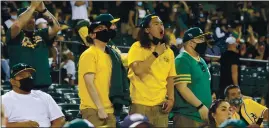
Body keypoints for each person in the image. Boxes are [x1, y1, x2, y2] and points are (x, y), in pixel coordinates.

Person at [78, 21, 131, 127]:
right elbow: (89, 83)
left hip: (110, 110)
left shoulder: (111, 56)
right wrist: (100, 108)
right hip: (93, 109)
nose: (105, 30)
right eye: (100, 28)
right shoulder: (89, 54)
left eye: (106, 28)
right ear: (92, 35)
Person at [127, 14, 176, 127]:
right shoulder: (137, 47)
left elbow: (170, 77)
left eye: (162, 24)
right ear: (147, 30)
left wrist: (171, 99)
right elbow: (138, 70)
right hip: (139, 105)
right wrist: (156, 53)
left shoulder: (169, 52)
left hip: (161, 106)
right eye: (156, 24)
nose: (161, 27)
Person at [6, 1, 61, 89]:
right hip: (21, 86)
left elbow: (56, 27)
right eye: (28, 17)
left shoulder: (42, 33)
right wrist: (32, 7)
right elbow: (16, 26)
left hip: (43, 84)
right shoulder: (14, 35)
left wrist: (43, 10)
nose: (31, 20)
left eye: (33, 17)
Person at [2, 63, 65, 127]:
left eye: (29, 75)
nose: (27, 78)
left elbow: (59, 119)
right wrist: (21, 125)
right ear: (13, 81)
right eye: (22, 76)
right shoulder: (4, 100)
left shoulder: (44, 96)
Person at [172, 27, 212, 127]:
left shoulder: (201, 60)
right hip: (188, 116)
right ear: (191, 42)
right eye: (201, 39)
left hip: (202, 115)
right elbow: (182, 88)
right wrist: (200, 106)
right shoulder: (182, 60)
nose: (204, 41)